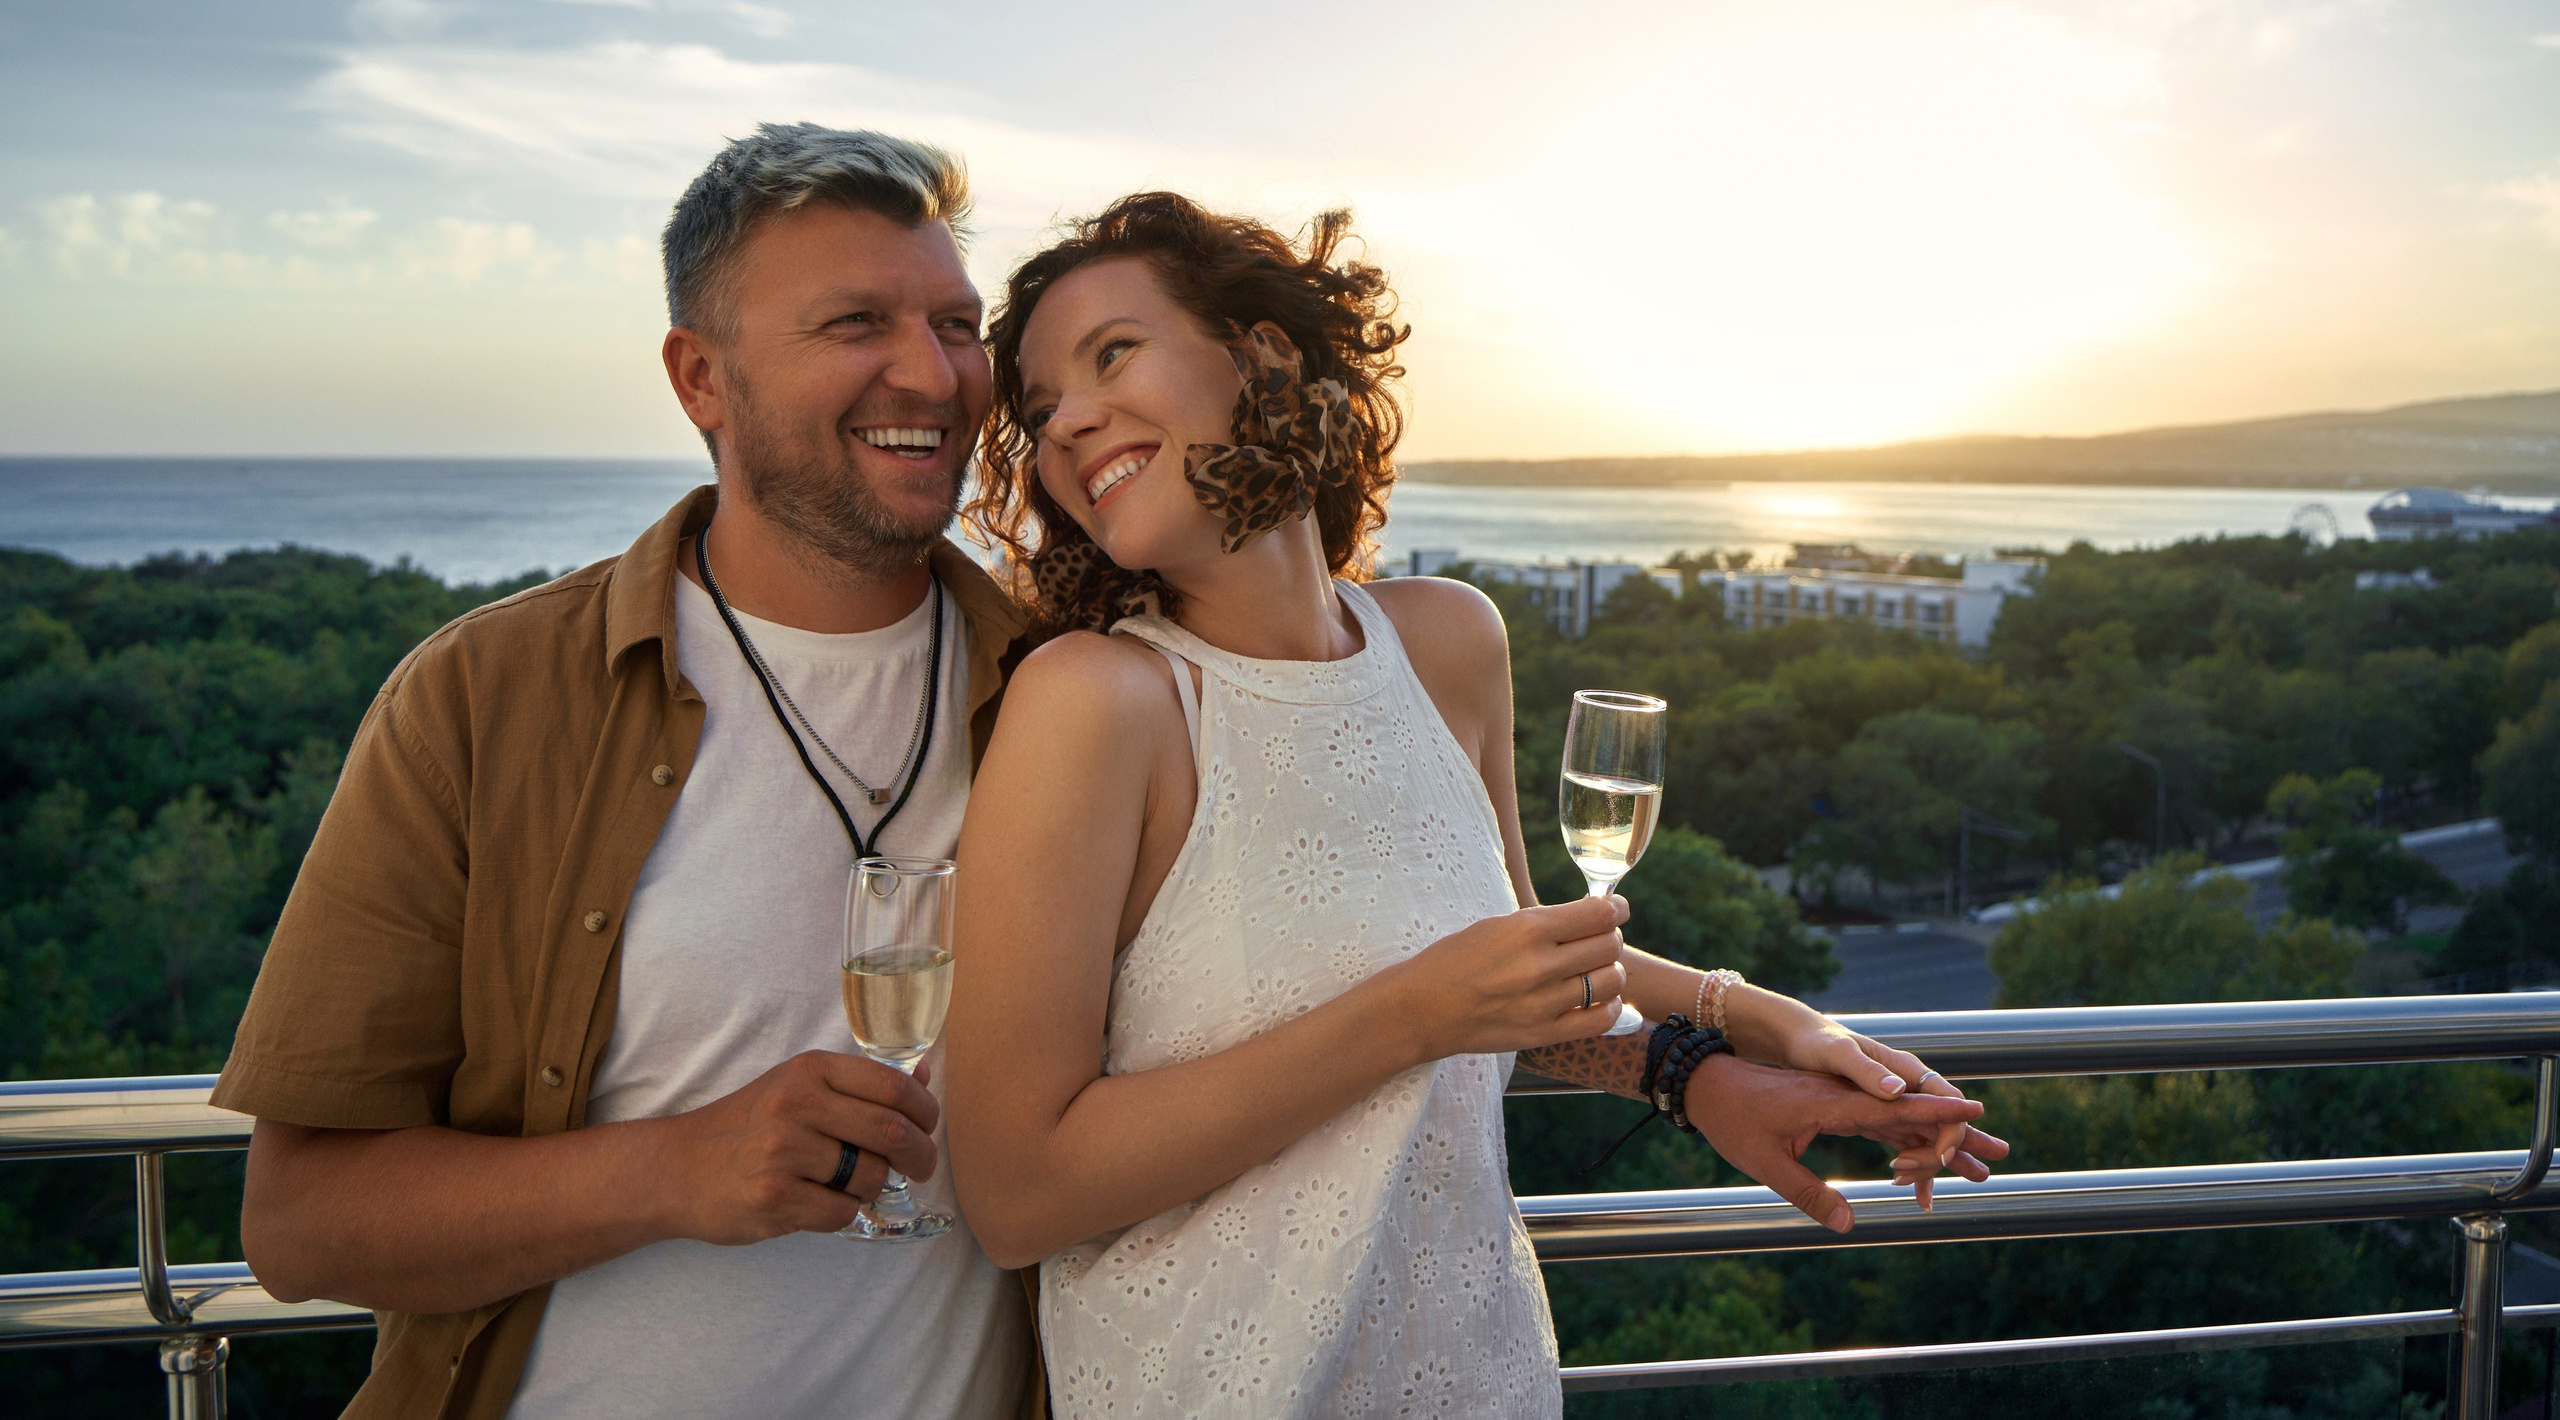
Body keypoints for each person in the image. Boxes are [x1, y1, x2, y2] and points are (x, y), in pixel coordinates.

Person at [942, 192, 2007, 1416]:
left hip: (1478, 1376)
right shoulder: (1097, 703)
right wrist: (1408, 1018)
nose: (1068, 419)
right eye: (1037, 409)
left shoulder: (1447, 642)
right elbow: (1016, 1191)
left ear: (1264, 353)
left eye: (1111, 353)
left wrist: (1741, 1041)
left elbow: (1510, 972)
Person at [217, 124, 1037, 1419]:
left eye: (956, 322)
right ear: (700, 379)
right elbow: (301, 1222)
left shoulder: (1067, 692)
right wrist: (673, 1172)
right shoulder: (483, 698)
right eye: (856, 324)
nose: (931, 375)